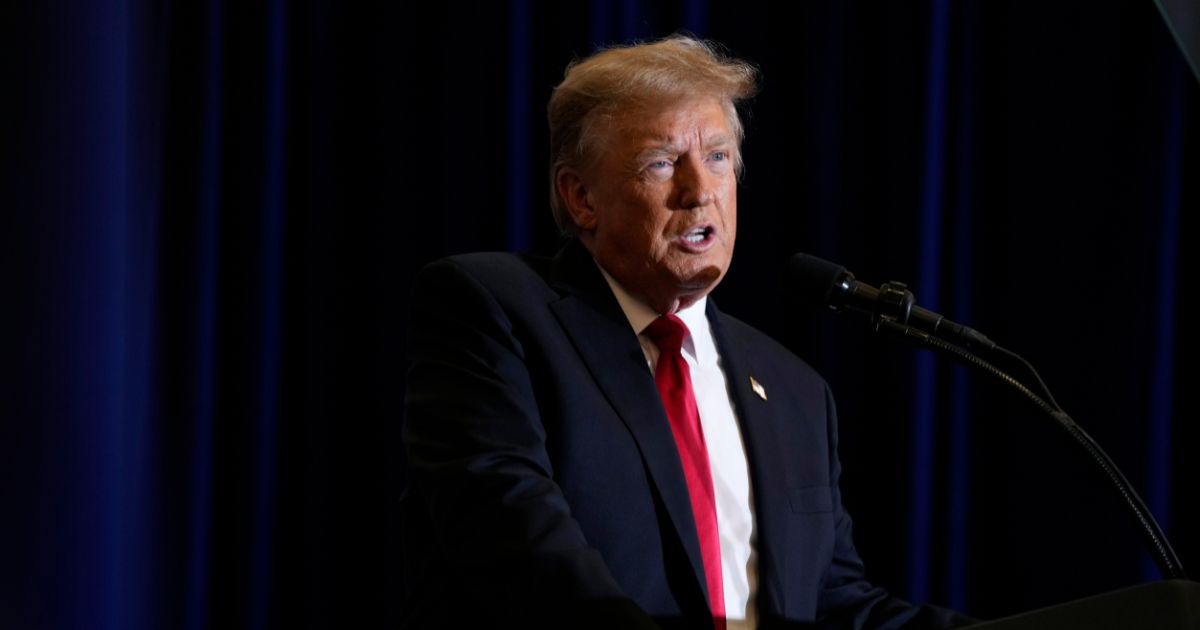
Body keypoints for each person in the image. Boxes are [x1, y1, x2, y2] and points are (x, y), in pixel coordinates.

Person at [400, 35, 973, 629]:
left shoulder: (794, 390)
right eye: (662, 162)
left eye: (719, 157)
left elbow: (835, 603)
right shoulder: (497, 313)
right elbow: (513, 538)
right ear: (581, 197)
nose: (700, 191)